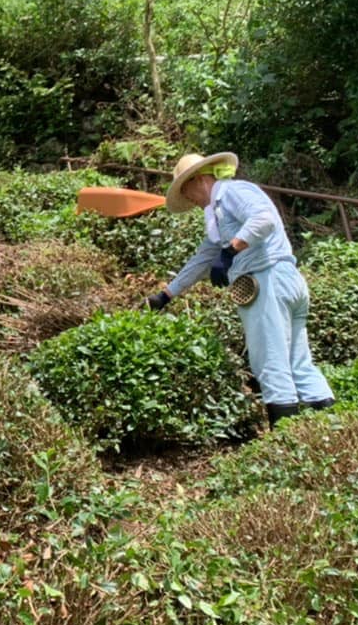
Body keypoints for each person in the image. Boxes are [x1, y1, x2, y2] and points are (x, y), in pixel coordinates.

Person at [144, 151, 335, 427]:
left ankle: (285, 445)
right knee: (299, 364)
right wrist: (166, 295)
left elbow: (265, 219)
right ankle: (330, 432)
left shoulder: (233, 192)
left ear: (199, 180)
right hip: (286, 281)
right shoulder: (219, 218)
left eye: (187, 192)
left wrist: (232, 251)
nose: (190, 201)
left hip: (267, 281)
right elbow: (204, 258)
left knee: (270, 365)